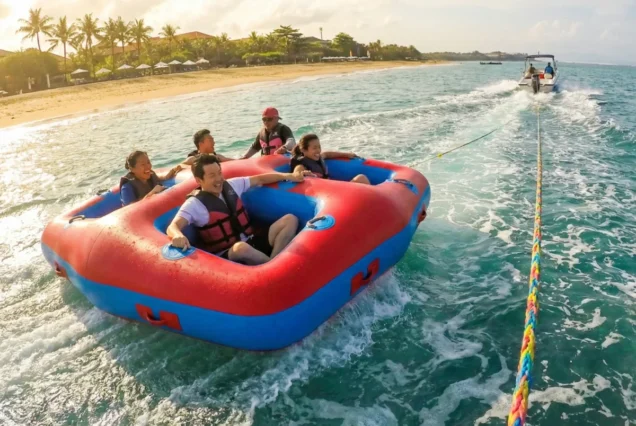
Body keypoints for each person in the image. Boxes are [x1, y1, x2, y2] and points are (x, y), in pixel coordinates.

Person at [167, 154, 311, 265]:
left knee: (290, 219)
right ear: (199, 180)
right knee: (240, 247)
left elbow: (259, 179)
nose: (218, 179)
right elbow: (173, 226)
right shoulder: (195, 204)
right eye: (212, 175)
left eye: (219, 172)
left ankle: (274, 262)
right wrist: (177, 235)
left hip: (252, 240)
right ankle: (275, 269)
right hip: (228, 254)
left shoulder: (231, 185)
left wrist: (289, 175)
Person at [290, 134, 370, 185]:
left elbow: (327, 154)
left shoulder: (319, 157)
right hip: (325, 193)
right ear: (304, 150)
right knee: (361, 178)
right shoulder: (301, 165)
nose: (318, 150)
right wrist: (303, 173)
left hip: (331, 187)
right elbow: (296, 174)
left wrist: (346, 154)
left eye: (319, 147)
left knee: (361, 178)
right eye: (314, 148)